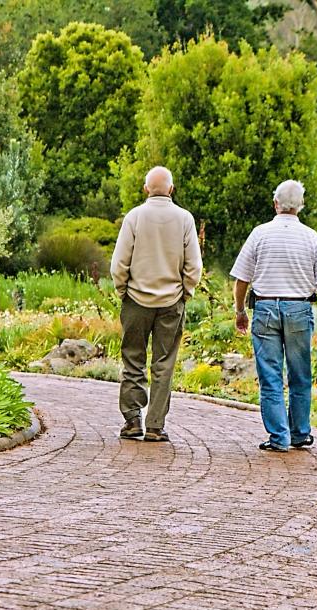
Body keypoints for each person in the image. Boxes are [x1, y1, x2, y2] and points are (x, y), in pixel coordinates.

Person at [231, 179, 317, 453]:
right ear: (301, 206)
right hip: (299, 309)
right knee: (300, 374)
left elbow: (242, 279)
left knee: (270, 376)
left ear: (275, 203)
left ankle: (279, 437)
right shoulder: (311, 237)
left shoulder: (260, 234)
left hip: (265, 307)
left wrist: (241, 310)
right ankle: (300, 433)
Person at [110, 165, 203, 442]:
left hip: (136, 300)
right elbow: (193, 266)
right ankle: (155, 425)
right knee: (164, 364)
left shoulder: (134, 217)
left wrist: (122, 290)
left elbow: (119, 263)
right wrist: (185, 292)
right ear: (172, 190)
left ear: (145, 188)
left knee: (133, 359)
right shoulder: (185, 219)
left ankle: (132, 419)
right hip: (171, 301)